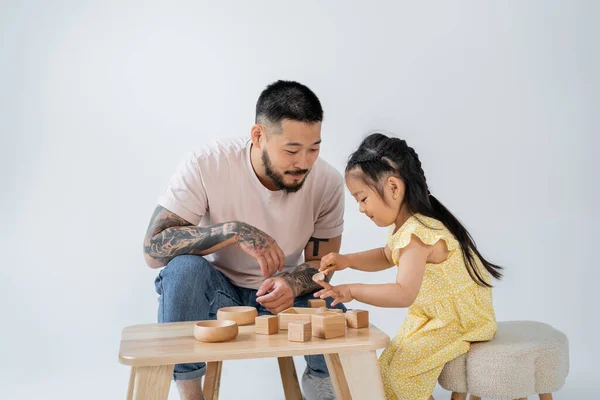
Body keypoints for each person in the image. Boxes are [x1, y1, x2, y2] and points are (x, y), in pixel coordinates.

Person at [143, 80, 346, 400]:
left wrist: (293, 284)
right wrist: (231, 231)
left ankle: (320, 387)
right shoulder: (207, 162)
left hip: (283, 296)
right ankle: (190, 392)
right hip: (217, 294)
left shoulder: (328, 181)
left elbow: (324, 264)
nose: (304, 163)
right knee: (182, 269)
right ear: (258, 136)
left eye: (314, 148)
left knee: (332, 301)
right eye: (292, 150)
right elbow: (153, 249)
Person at [314, 132, 502, 400]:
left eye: (363, 198)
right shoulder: (405, 228)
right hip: (430, 316)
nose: (361, 209)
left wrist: (353, 290)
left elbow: (404, 293)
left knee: (398, 379)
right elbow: (384, 255)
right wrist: (347, 261)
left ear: (393, 187)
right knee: (384, 371)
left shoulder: (417, 235)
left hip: (457, 321)